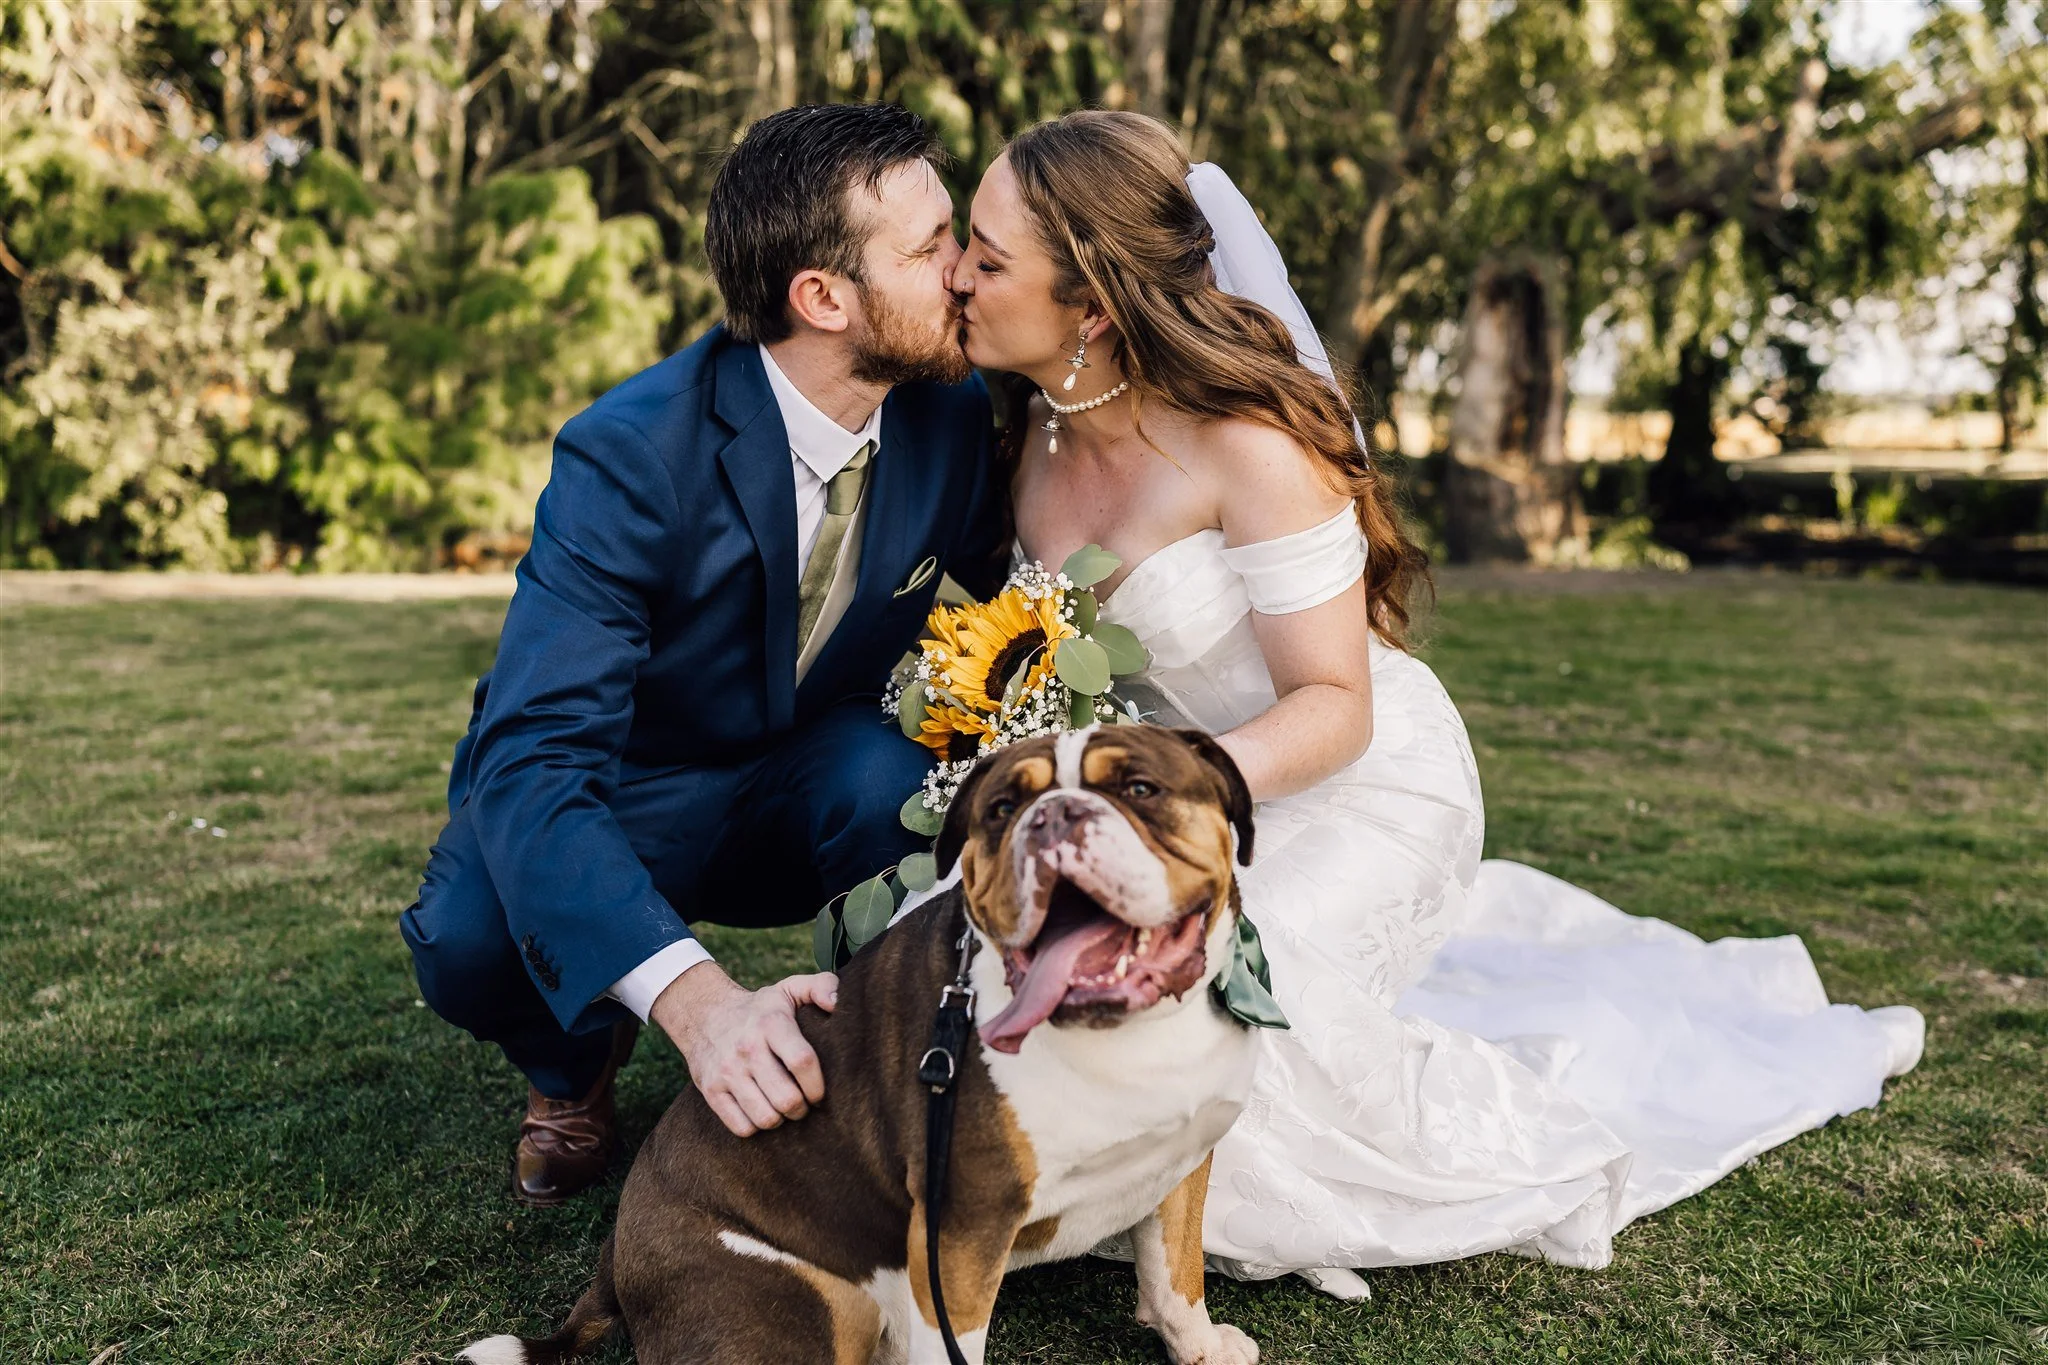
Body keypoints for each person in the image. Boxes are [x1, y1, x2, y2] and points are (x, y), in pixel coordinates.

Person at [947, 109, 1925, 1294]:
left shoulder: (1244, 447)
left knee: (1225, 1006)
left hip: (1355, 780)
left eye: (986, 259)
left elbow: (1333, 705)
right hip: (1167, 797)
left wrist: (1156, 811)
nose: (955, 274)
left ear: (1090, 301)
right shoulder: (1024, 439)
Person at [400, 103, 1007, 1205]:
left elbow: (985, 616)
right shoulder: (630, 453)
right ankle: (572, 1064)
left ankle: (878, 1069)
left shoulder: (954, 413)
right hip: (639, 785)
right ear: (822, 299)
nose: (963, 271)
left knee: (896, 776)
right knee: (468, 940)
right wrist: (698, 1005)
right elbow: (533, 757)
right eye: (928, 250)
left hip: (820, 774)